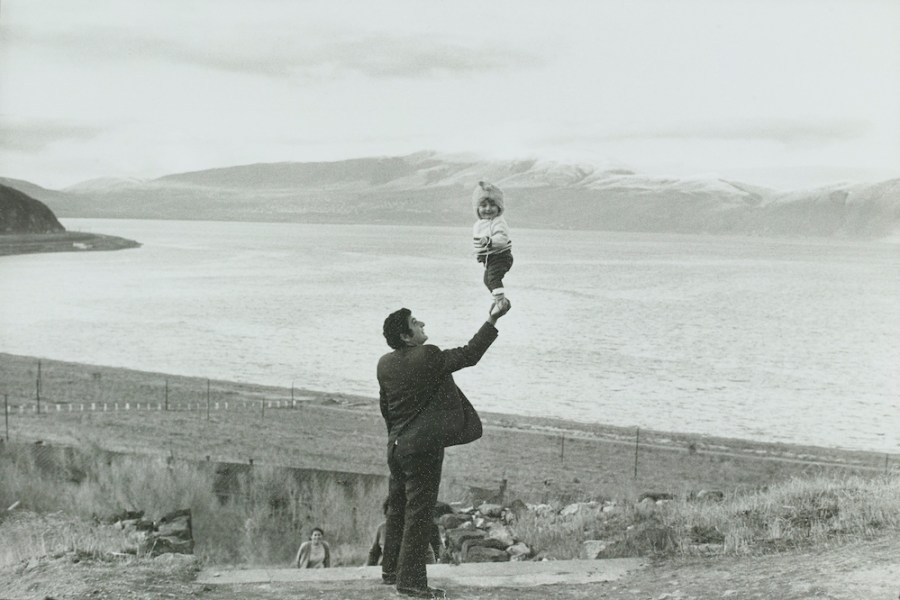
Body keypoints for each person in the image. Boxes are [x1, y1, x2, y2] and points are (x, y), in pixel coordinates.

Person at [377, 300, 511, 599]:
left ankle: (390, 572)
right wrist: (492, 320)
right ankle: (411, 584)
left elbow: (386, 408)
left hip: (396, 448)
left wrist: (396, 440)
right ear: (406, 336)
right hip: (422, 451)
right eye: (415, 322)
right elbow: (470, 354)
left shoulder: (384, 364)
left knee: (397, 510)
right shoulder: (428, 355)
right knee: (418, 515)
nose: (422, 324)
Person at [366, 498, 443, 567]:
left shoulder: (415, 529)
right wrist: (368, 571)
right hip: (387, 572)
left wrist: (430, 572)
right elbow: (373, 554)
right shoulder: (382, 529)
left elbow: (428, 554)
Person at [472, 181, 513, 305]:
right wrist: (479, 254)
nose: (488, 209)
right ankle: (498, 299)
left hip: (501, 256)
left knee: (494, 278)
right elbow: (478, 243)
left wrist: (490, 241)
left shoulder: (498, 222)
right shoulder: (480, 224)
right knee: (487, 280)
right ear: (477, 209)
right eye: (483, 205)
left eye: (492, 205)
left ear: (499, 208)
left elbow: (502, 238)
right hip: (490, 259)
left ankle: (501, 301)